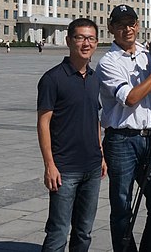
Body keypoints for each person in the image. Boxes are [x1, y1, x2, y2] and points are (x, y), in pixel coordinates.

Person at [97, 4, 151, 252]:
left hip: (149, 138)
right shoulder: (108, 62)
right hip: (121, 139)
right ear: (111, 28)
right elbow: (129, 98)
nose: (127, 29)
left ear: (138, 25)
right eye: (120, 25)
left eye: (131, 24)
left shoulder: (147, 55)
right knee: (122, 206)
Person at [37, 18, 106, 251]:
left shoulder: (95, 78)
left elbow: (95, 119)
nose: (86, 43)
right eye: (80, 37)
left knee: (84, 232)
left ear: (96, 43)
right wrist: (49, 165)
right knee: (58, 232)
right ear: (69, 40)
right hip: (64, 169)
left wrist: (101, 153)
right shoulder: (52, 78)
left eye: (91, 38)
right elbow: (43, 123)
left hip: (92, 167)